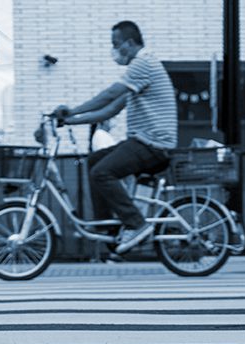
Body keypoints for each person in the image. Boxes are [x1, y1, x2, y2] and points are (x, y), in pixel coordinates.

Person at [53, 21, 178, 253]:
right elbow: (109, 110)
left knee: (102, 172)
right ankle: (109, 229)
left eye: (116, 44)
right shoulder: (138, 77)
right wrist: (69, 121)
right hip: (144, 141)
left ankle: (136, 224)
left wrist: (73, 109)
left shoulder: (144, 63)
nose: (114, 50)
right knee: (94, 161)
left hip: (153, 142)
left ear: (130, 43)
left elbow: (109, 95)